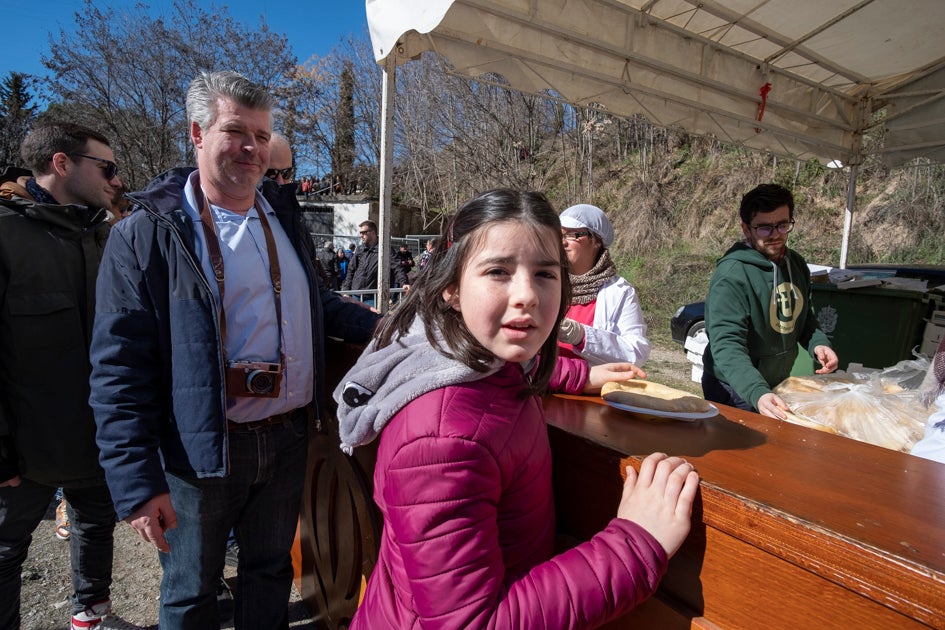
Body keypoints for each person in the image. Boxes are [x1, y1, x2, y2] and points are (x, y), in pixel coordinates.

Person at [88, 70, 380, 629]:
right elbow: (118, 367)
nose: (253, 148)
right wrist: (136, 483)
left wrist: (386, 325)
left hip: (289, 437)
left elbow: (315, 303)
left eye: (262, 136)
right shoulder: (148, 232)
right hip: (199, 450)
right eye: (236, 132)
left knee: (270, 572)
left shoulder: (281, 215)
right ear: (197, 134)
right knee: (190, 590)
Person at [334, 189, 699, 628]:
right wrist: (637, 544)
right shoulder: (442, 441)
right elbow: (472, 623)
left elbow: (518, 366)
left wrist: (581, 376)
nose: (527, 294)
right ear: (452, 287)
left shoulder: (472, 357)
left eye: (545, 273)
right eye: (498, 271)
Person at [0, 123, 122, 630]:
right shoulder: (5, 232)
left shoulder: (105, 233)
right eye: (107, 167)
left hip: (98, 437)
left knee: (96, 527)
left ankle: (89, 616)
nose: (117, 179)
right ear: (62, 163)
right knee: (5, 550)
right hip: (22, 450)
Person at [701, 183, 839, 419]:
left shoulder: (796, 264)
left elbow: (803, 317)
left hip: (775, 383)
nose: (775, 234)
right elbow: (726, 345)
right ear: (746, 229)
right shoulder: (732, 275)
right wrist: (757, 392)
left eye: (782, 225)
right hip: (734, 388)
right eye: (764, 228)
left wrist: (818, 343)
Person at [556, 204, 651, 366]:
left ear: (596, 241)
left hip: (592, 381)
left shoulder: (619, 292)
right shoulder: (545, 281)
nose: (563, 242)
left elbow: (637, 353)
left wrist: (582, 336)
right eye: (560, 235)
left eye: (572, 235)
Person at [341, 220, 409, 307]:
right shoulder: (360, 249)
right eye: (360, 233)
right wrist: (346, 290)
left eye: (364, 232)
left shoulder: (385, 249)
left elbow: (397, 266)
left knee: (372, 316)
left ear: (373, 233)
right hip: (356, 294)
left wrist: (404, 282)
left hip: (373, 296)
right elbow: (351, 269)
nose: (361, 235)